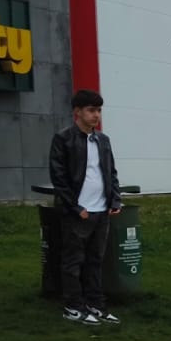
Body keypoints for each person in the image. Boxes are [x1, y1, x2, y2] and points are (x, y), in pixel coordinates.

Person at [48, 90, 123, 326]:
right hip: (78, 212)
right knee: (73, 261)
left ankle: (95, 305)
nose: (96, 115)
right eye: (91, 110)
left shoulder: (103, 140)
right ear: (77, 113)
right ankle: (73, 306)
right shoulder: (63, 139)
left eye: (99, 110)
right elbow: (59, 178)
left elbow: (111, 172)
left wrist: (115, 200)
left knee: (95, 260)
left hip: (101, 211)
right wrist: (74, 207)